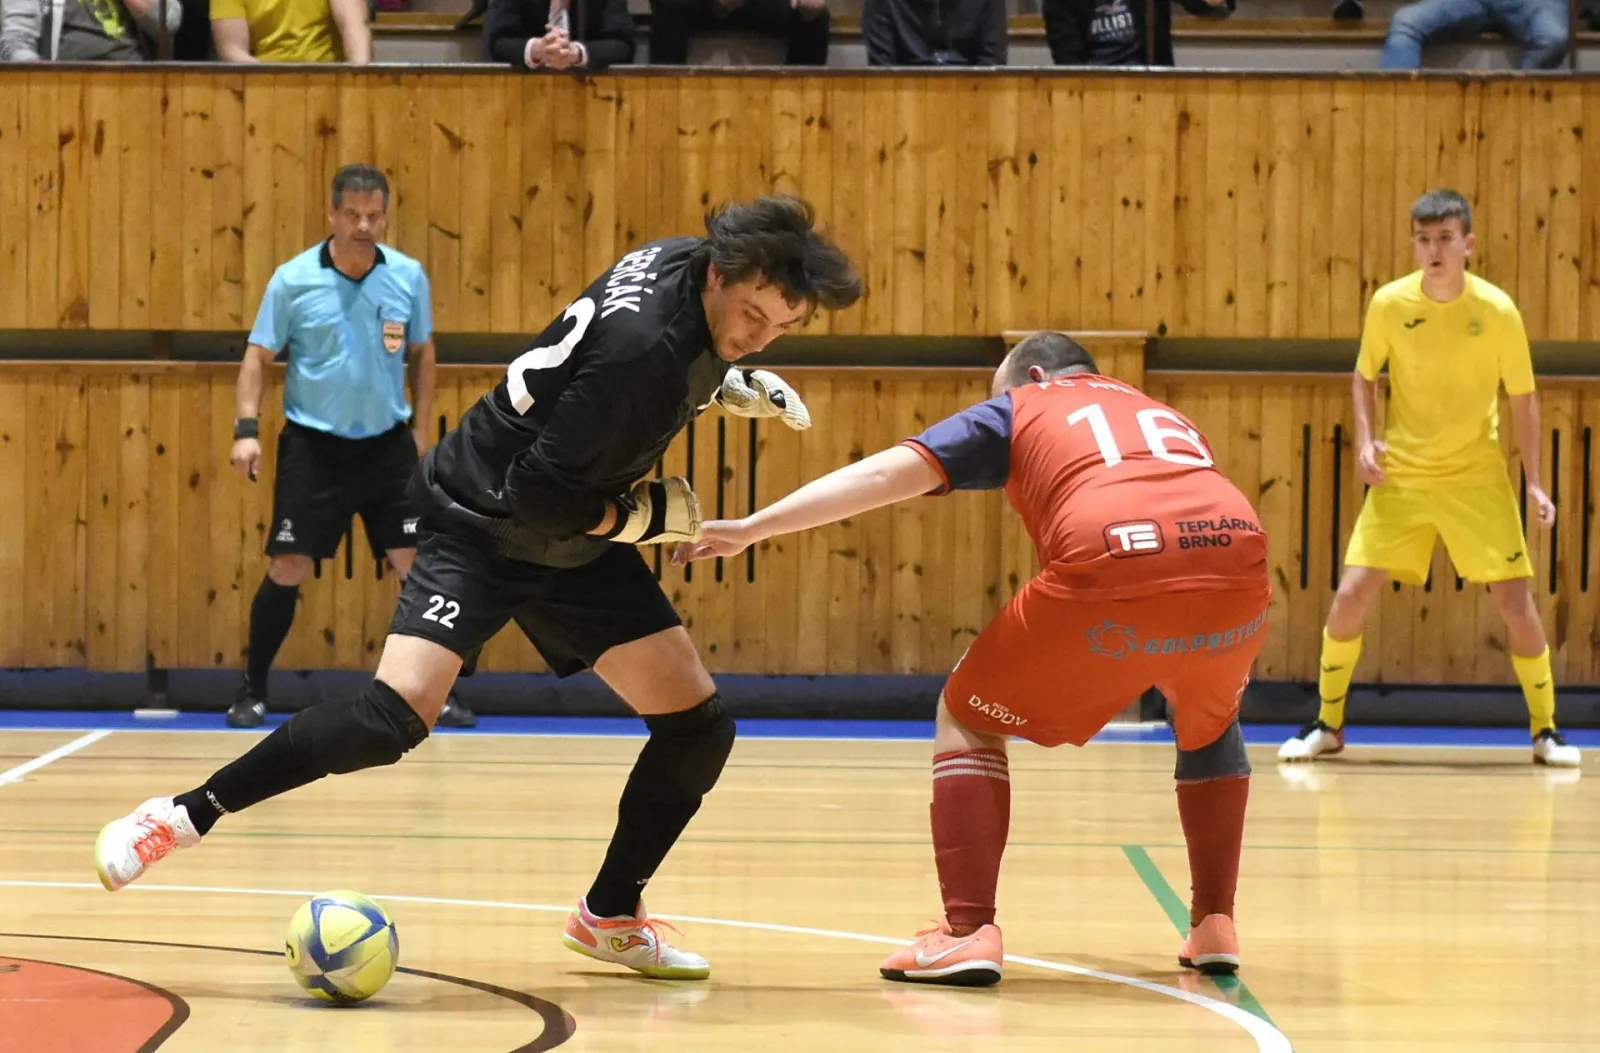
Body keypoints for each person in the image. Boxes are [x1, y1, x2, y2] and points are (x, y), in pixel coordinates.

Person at [93, 195, 863, 982]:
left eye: (782, 327)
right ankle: (181, 814)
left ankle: (609, 914)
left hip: (566, 532)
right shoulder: (645, 358)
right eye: (752, 317)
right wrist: (641, 520)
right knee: (389, 719)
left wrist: (723, 379)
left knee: (698, 728)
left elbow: (610, 378)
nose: (759, 337)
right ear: (719, 274)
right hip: (483, 518)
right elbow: (543, 491)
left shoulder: (675, 261)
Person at [678, 332, 1271, 985]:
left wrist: (752, 527)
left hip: (1116, 552)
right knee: (1211, 720)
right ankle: (1215, 922)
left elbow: (885, 474)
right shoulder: (1157, 412)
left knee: (967, 713)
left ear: (1034, 375)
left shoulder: (1025, 405)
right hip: (1238, 556)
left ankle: (965, 932)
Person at [1279, 189, 1580, 769]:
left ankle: (1545, 731)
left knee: (1515, 601)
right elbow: (1364, 376)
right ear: (1414, 244)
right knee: (1351, 594)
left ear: (1468, 244)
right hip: (1404, 477)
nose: (1434, 249)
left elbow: (1523, 398)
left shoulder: (1498, 311)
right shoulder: (1389, 304)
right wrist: (1365, 440)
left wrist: (1536, 482)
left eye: (1445, 238)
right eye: (1423, 239)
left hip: (1476, 476)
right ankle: (1328, 724)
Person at [225, 163, 475, 731]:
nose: (364, 226)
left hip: (387, 446)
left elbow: (423, 353)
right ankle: (252, 690)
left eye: (374, 216)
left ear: (385, 218)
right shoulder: (293, 280)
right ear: (332, 215)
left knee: (416, 567)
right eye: (353, 215)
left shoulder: (407, 276)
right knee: (288, 564)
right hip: (313, 447)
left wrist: (420, 432)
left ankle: (437, 693)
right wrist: (246, 430)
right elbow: (257, 357)